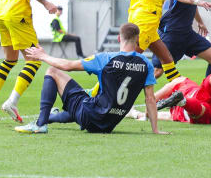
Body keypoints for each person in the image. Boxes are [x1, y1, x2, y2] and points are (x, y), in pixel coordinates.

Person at [14, 23, 167, 135]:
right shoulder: (146, 64)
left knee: (53, 71)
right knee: (85, 100)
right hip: (109, 124)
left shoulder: (106, 58)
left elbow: (68, 65)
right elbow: (150, 99)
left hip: (91, 115)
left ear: (119, 38)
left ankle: (40, 124)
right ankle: (50, 117)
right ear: (137, 39)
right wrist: (155, 130)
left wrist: (43, 56)